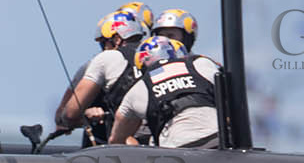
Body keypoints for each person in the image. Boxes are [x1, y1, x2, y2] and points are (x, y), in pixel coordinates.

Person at [108, 36, 221, 149]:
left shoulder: (138, 89)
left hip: (177, 153)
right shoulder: (200, 64)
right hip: (217, 139)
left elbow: (116, 140)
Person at [55, 9, 144, 144]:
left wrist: (85, 115)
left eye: (103, 43)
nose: (102, 48)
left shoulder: (105, 58)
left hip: (125, 145)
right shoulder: (160, 55)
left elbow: (69, 115)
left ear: (117, 39)